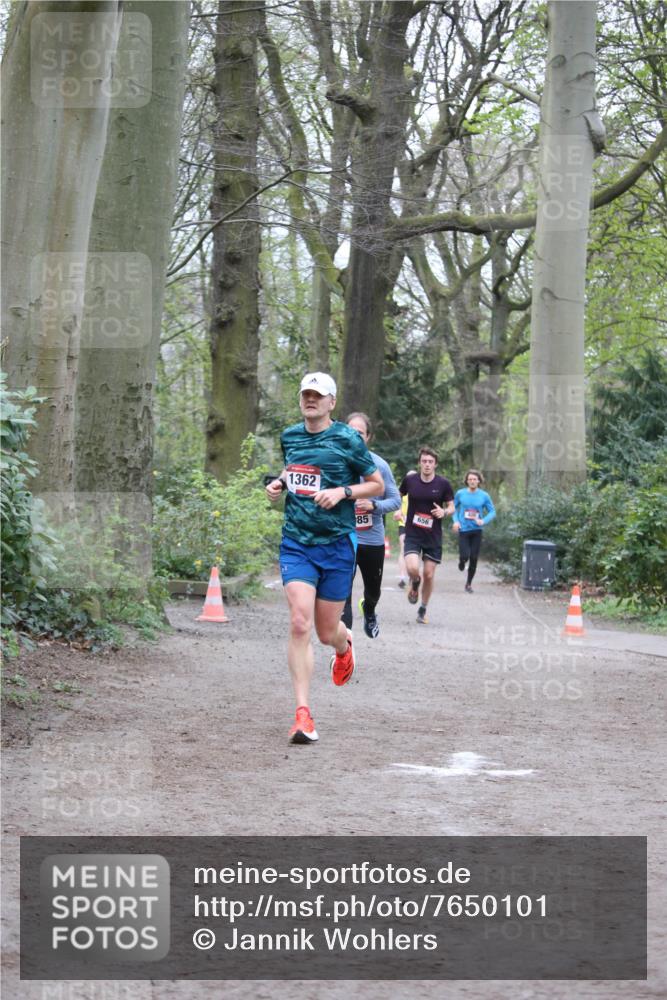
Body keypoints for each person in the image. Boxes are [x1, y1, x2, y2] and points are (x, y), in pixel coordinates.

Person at [265, 373, 384, 744]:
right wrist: (280, 483)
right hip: (297, 541)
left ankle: (344, 647)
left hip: (336, 544)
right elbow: (294, 467)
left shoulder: (348, 439)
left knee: (325, 631)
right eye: (306, 395)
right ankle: (303, 715)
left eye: (318, 395)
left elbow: (376, 483)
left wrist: (343, 492)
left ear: (332, 402)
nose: (311, 400)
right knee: (299, 622)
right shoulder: (290, 436)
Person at [341, 413, 401, 639]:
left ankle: (369, 608)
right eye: (350, 431)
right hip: (344, 538)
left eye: (360, 433)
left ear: (368, 437)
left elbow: (395, 501)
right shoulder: (336, 462)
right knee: (342, 593)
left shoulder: (379, 466)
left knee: (373, 590)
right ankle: (345, 645)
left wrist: (374, 506)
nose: (355, 437)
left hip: (371, 540)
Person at [399, 448, 454, 624]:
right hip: (413, 533)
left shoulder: (443, 484)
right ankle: (415, 582)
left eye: (430, 461)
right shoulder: (410, 480)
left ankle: (422, 608)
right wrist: (398, 510)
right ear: (420, 463)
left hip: (433, 536)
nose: (427, 464)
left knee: (429, 574)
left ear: (435, 464)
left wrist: (444, 512)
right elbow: (397, 496)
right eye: (424, 461)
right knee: (413, 568)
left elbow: (452, 507)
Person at [452, 469, 496, 593]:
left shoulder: (484, 495)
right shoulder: (460, 493)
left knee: (474, 558)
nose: (472, 481)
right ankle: (461, 561)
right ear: (466, 481)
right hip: (464, 529)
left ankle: (468, 584)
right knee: (465, 555)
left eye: (474, 479)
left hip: (477, 530)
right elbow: (453, 508)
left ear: (479, 481)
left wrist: (483, 521)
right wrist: (456, 521)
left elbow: (492, 511)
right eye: (470, 479)